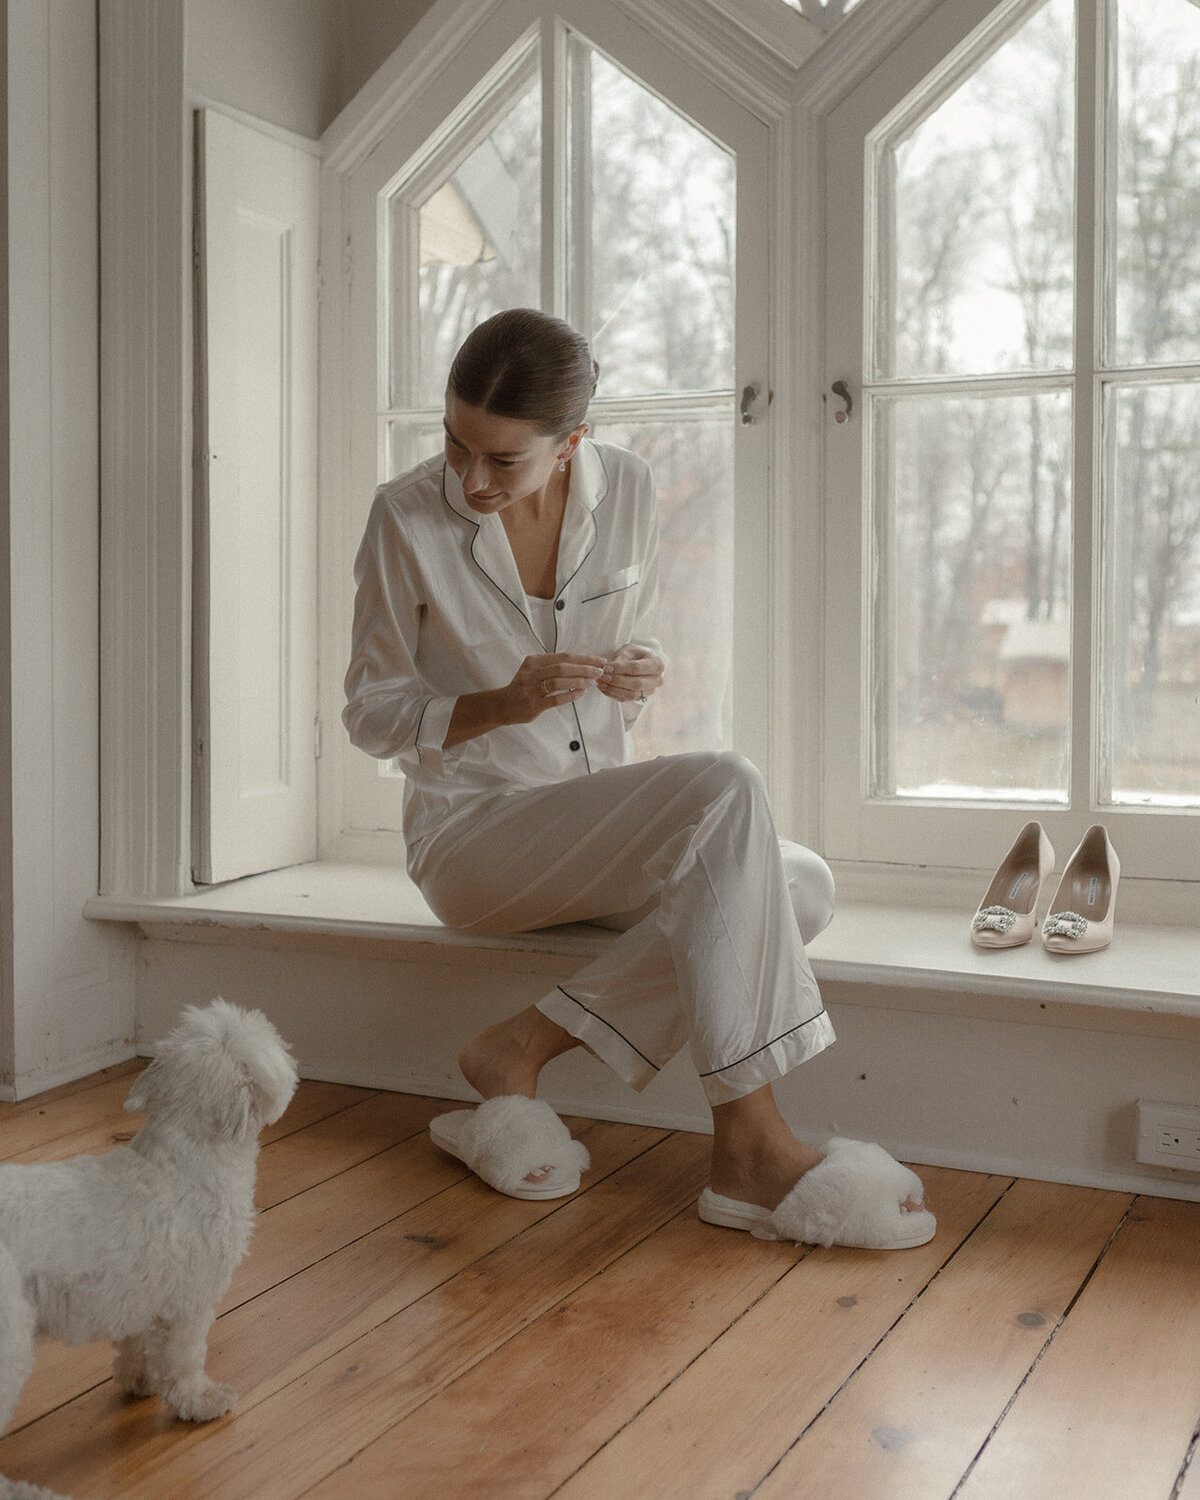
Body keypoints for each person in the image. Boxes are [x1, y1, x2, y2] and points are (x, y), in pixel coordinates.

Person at [343, 308, 934, 1250]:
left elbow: (633, 635)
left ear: (574, 440)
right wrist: (500, 702)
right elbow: (370, 713)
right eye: (457, 445)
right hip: (472, 837)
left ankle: (517, 1048)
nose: (472, 478)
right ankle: (751, 1143)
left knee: (799, 885)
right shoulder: (405, 513)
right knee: (727, 784)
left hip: (586, 824)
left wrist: (641, 666)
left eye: (504, 460)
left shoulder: (628, 489)